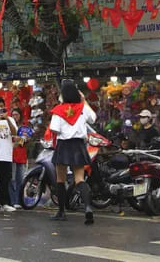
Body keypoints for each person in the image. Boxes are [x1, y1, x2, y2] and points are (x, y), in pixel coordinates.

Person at [47, 79, 97, 225]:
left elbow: (54, 129)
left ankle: (61, 212)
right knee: (80, 179)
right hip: (78, 145)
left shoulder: (58, 110)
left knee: (60, 179)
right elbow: (93, 119)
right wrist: (84, 100)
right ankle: (88, 207)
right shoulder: (82, 108)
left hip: (63, 145)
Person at [10, 108, 34, 208]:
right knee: (12, 179)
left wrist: (26, 139)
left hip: (21, 155)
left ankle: (19, 201)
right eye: (13, 115)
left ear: (20, 115)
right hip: (11, 155)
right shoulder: (10, 126)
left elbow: (29, 139)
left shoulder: (24, 127)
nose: (15, 117)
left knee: (20, 179)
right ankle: (12, 200)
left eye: (16, 114)